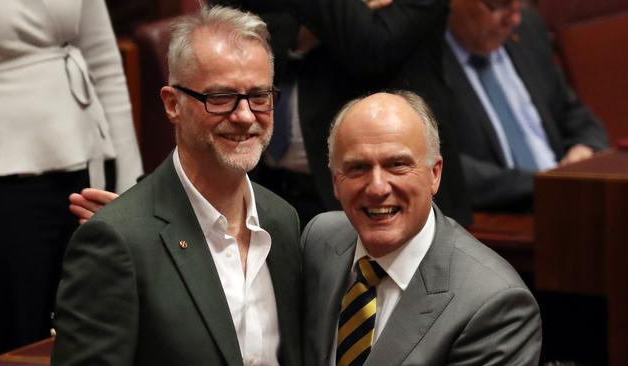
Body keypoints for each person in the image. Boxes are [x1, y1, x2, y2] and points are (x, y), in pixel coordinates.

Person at [51, 6, 301, 366]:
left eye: (259, 96)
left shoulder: (283, 220)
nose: (245, 115)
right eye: (220, 97)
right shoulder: (117, 241)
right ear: (173, 104)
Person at [301, 91, 541, 365]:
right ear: (335, 181)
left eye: (397, 165)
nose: (377, 187)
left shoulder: (494, 304)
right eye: (358, 167)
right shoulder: (319, 240)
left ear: (434, 174)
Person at [0, 0, 142, 359]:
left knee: (89, 326)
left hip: (86, 162)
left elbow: (103, 59)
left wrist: (131, 181)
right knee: (13, 337)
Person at [214, 0, 473, 227]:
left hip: (381, 191)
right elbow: (227, 39)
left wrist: (304, 27)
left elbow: (372, 44)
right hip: (265, 189)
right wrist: (306, 32)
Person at [443, 0, 608, 211]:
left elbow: (573, 113)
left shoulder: (527, 27)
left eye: (518, 4)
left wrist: (585, 150)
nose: (514, 18)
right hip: (503, 219)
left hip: (571, 200)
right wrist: (545, 184)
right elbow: (440, 166)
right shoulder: (418, 57)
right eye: (499, 5)